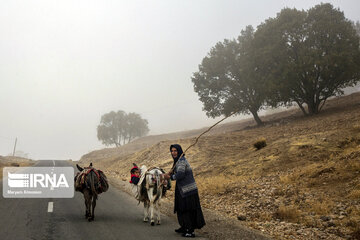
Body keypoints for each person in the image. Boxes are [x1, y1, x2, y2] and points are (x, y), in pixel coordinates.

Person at [164, 144, 206, 238]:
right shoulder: (177, 161)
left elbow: (180, 175)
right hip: (182, 189)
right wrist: (170, 172)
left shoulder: (182, 161)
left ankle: (190, 231)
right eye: (172, 151)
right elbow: (176, 171)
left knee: (188, 209)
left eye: (175, 151)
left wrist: (170, 177)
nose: (173, 153)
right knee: (181, 208)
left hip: (188, 190)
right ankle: (184, 226)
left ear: (179, 151)